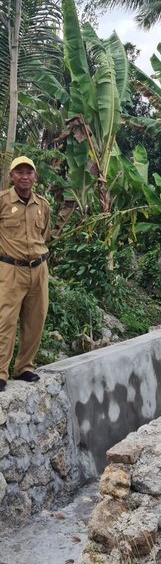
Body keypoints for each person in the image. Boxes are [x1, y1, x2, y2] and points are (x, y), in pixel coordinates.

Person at [0, 155, 50, 392]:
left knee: (36, 320)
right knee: (5, 321)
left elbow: (45, 235)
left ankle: (24, 368)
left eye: (28, 172)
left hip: (39, 269)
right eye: (19, 172)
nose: (24, 176)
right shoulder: (1, 201)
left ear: (35, 177)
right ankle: (0, 372)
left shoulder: (43, 205)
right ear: (11, 176)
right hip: (10, 269)